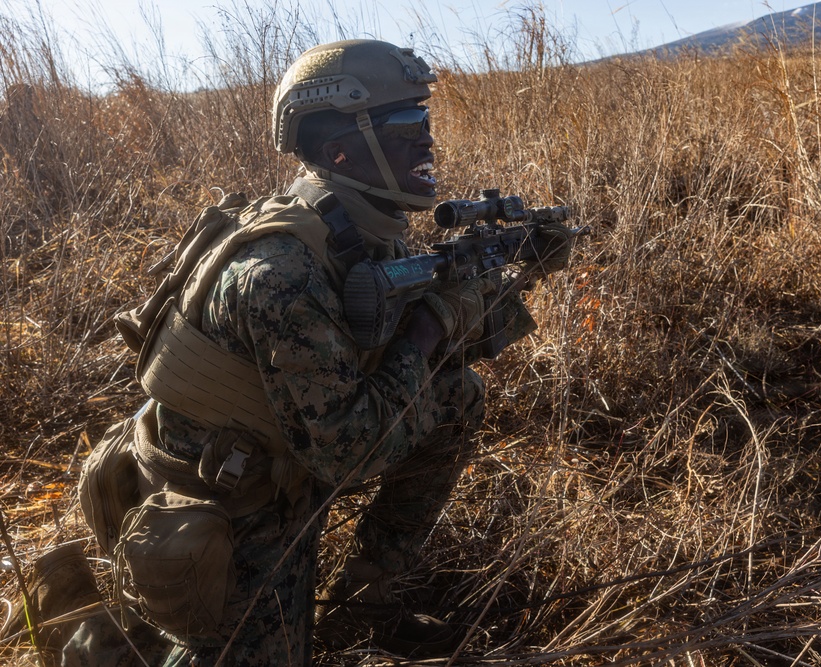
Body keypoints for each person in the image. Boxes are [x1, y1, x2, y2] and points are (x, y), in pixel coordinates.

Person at [6, 38, 568, 666]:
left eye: (425, 121)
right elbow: (350, 454)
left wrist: (505, 280)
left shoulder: (354, 223)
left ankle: (368, 602)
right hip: (223, 501)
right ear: (339, 150)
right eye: (409, 126)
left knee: (455, 398)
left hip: (283, 454)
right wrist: (436, 321)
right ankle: (73, 617)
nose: (427, 142)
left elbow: (395, 353)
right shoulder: (281, 270)